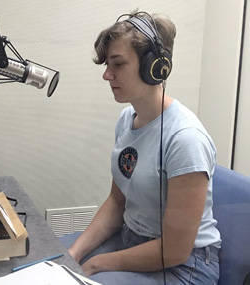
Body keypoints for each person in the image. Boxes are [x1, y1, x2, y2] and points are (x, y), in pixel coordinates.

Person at [63, 10, 221, 284]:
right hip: (132, 242)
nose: (107, 75)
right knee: (57, 263)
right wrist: (73, 254)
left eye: (118, 64)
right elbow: (116, 202)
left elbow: (174, 250)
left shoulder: (185, 139)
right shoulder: (127, 120)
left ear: (155, 66)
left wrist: (96, 264)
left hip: (183, 266)